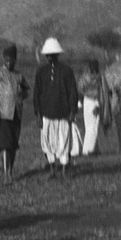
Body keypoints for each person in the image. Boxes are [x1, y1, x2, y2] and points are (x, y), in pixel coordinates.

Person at [33, 38, 81, 180]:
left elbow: (73, 92)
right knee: (48, 142)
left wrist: (72, 111)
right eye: (48, 54)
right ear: (45, 56)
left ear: (58, 55)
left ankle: (65, 169)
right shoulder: (41, 72)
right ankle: (53, 169)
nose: (51, 57)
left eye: (53, 54)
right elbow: (37, 93)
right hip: (47, 114)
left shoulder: (67, 71)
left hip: (64, 113)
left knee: (64, 141)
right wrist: (38, 114)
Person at [0, 44, 29, 183]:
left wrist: (21, 94)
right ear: (3, 60)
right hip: (3, 114)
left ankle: (10, 171)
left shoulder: (18, 75)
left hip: (16, 113)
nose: (9, 63)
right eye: (7, 60)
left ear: (15, 60)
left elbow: (27, 89)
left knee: (13, 144)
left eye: (11, 60)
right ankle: (6, 175)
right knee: (5, 144)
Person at [76, 59, 111, 157]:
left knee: (89, 125)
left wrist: (81, 99)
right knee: (93, 126)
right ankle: (87, 150)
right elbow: (104, 92)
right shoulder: (100, 78)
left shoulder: (84, 77)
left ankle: (96, 149)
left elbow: (79, 88)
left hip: (86, 101)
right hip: (95, 101)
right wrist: (100, 104)